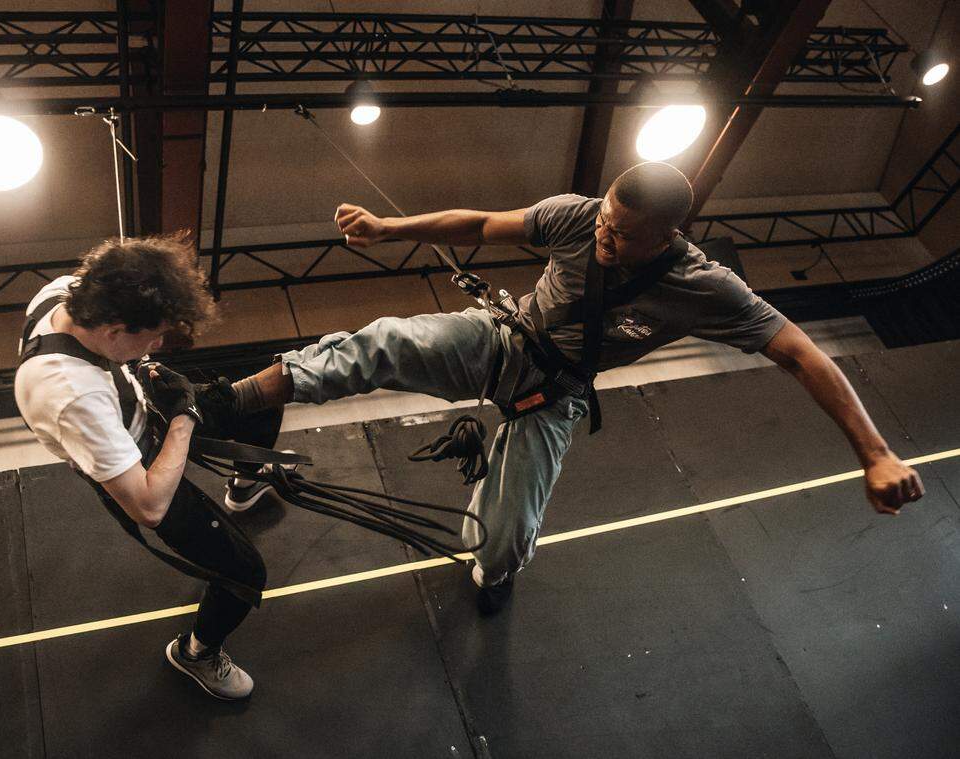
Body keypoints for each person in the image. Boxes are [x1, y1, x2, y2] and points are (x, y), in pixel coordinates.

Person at [222, 161, 926, 614]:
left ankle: (496, 569)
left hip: (556, 395)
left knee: (499, 548)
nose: (601, 235)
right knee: (385, 344)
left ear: (665, 235)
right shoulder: (578, 214)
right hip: (502, 338)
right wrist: (387, 227)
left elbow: (803, 353)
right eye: (603, 220)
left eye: (620, 234)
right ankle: (235, 398)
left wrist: (874, 453)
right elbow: (479, 224)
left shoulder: (706, 287)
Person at [13, 233, 280, 701]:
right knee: (245, 575)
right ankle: (196, 654)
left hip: (145, 411)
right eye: (153, 335)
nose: (159, 342)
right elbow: (149, 506)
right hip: (137, 465)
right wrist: (184, 417)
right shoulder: (71, 395)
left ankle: (245, 484)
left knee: (265, 397)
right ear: (114, 331)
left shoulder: (63, 292)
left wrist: (148, 376)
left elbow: (125, 356)